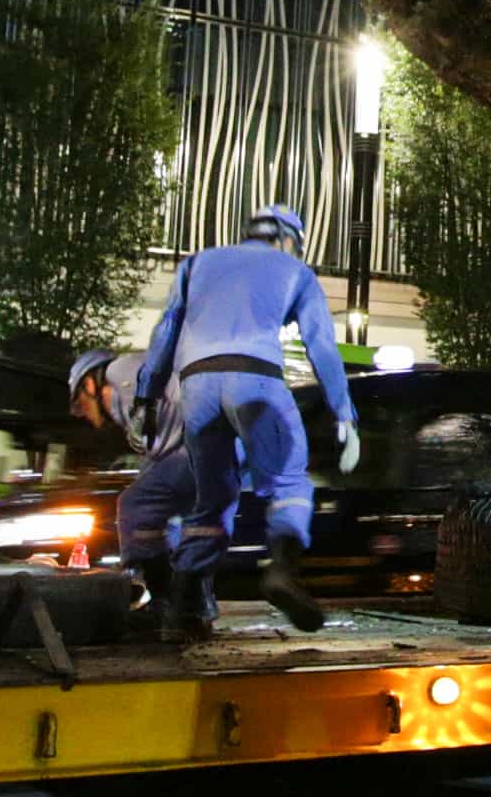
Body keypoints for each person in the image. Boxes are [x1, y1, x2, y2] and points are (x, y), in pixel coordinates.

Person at [135, 204, 359, 639]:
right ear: (289, 239)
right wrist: (345, 415)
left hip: (195, 388)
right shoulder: (296, 272)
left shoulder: (197, 263)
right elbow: (322, 348)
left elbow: (165, 333)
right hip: (255, 379)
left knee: (211, 500)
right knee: (289, 478)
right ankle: (282, 570)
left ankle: (182, 607)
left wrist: (145, 399)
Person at [72, 349, 206, 640]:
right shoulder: (125, 406)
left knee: (135, 507)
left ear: (90, 384)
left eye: (80, 403)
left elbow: (173, 385)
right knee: (185, 528)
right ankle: (194, 613)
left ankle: (163, 608)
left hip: (200, 443)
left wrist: (134, 556)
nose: (82, 414)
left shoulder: (120, 371)